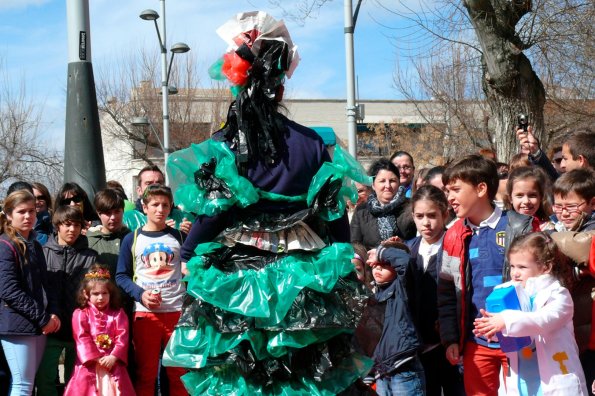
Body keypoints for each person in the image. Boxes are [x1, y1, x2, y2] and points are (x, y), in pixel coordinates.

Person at [162, 11, 371, 395]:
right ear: (280, 84)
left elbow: (215, 210)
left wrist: (189, 254)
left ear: (238, 81)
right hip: (306, 270)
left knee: (242, 367)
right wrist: (342, 254)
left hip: (236, 273)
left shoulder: (225, 145)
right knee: (304, 366)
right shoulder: (312, 144)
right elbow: (332, 211)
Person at [437, 154, 537, 395]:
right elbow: (447, 292)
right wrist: (451, 338)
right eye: (447, 191)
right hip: (476, 343)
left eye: (456, 190)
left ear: (481, 188)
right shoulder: (452, 235)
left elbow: (539, 284)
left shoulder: (519, 226)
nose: (449, 197)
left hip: (518, 339)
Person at [473, 232, 588, 395]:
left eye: (522, 267)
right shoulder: (506, 293)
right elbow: (506, 334)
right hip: (521, 380)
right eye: (512, 266)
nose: (515, 273)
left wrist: (505, 320)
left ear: (546, 267)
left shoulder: (558, 295)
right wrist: (490, 329)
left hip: (554, 379)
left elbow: (542, 321)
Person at [116, 184, 187, 396]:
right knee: (145, 374)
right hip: (146, 316)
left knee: (179, 373)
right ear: (144, 207)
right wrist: (141, 294)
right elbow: (121, 276)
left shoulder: (179, 237)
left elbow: (189, 269)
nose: (160, 209)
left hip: (176, 313)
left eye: (165, 205)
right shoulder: (132, 238)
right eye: (155, 204)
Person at [0, 190, 61, 396]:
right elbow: (9, 290)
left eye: (32, 211)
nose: (28, 216)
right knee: (22, 385)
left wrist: (51, 313)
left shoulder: (34, 244)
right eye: (21, 212)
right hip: (17, 326)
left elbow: (46, 284)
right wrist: (43, 317)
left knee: (27, 383)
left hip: (36, 324)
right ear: (9, 214)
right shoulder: (5, 245)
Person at [407, 185, 464, 396]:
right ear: (413, 216)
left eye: (432, 215)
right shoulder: (408, 250)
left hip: (449, 341)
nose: (426, 222)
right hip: (418, 343)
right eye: (420, 216)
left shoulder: (456, 246)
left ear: (445, 214)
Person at [35, 205, 98, 395]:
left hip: (79, 330)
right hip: (50, 328)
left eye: (77, 225)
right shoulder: (43, 252)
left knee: (77, 381)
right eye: (67, 225)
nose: (72, 230)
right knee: (44, 378)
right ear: (57, 226)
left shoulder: (90, 256)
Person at [63, 265, 135, 395]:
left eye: (104, 293)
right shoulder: (80, 314)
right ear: (86, 294)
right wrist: (95, 358)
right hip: (89, 366)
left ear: (110, 293)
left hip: (113, 365)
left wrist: (114, 356)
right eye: (95, 294)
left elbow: (123, 336)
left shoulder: (118, 314)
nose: (101, 297)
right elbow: (82, 338)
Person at [366, 241, 425, 395]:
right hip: (381, 371)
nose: (378, 267)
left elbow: (405, 261)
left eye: (384, 264)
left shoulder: (402, 287)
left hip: (403, 367)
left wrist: (380, 252)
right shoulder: (374, 296)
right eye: (376, 264)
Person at [351, 158, 416, 250]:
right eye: (382, 181)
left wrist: (402, 244)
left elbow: (419, 239)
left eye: (392, 181)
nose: (388, 186)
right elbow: (355, 244)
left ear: (398, 183)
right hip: (370, 262)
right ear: (373, 185)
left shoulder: (411, 207)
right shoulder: (362, 210)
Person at [123, 165, 193, 234]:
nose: (155, 186)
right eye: (149, 183)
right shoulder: (127, 219)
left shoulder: (183, 217)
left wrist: (189, 236)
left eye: (159, 183)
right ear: (139, 190)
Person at [517, 126, 594, 179]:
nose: (562, 165)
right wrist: (535, 151)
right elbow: (552, 176)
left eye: (565, 159)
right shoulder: (568, 186)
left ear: (581, 160)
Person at [87, 188, 131, 277]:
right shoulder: (89, 241)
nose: (113, 217)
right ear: (99, 214)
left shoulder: (132, 238)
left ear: (123, 211)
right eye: (108, 213)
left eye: (117, 211)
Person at [505, 166, 554, 231]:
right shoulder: (503, 226)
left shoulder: (548, 228)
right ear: (510, 198)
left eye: (532, 195)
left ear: (541, 197)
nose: (526, 201)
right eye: (519, 195)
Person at [552, 168, 595, 232]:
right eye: (558, 206)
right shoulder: (553, 231)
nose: (564, 213)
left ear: (593, 203)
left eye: (571, 206)